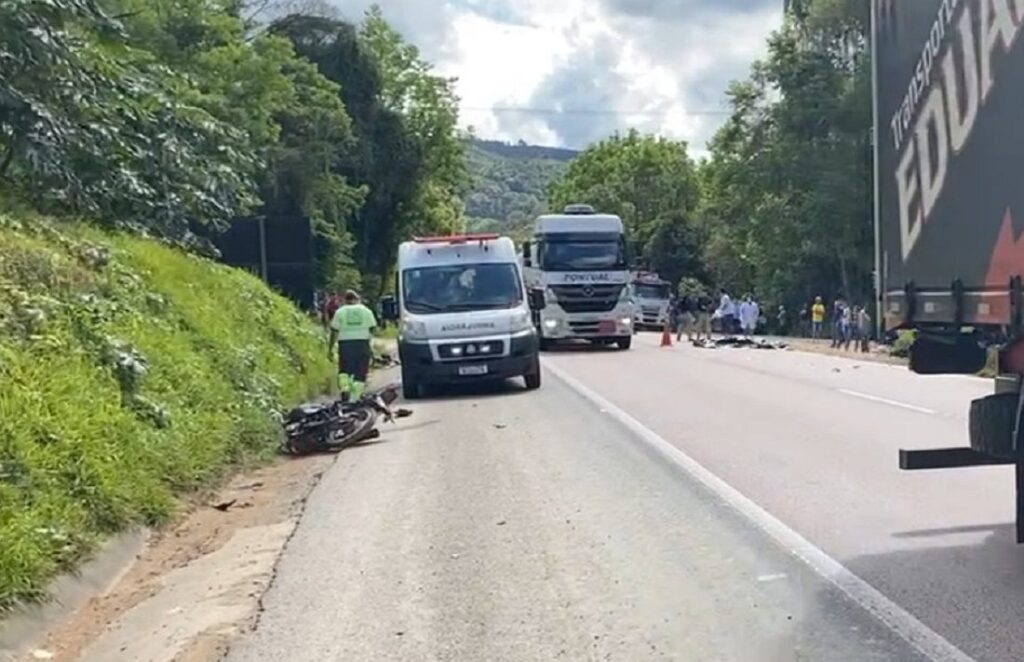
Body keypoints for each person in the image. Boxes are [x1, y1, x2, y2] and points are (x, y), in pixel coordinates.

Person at [328, 290, 377, 401]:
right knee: (361, 371)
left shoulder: (340, 312)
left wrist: (330, 348)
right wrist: (370, 347)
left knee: (344, 369)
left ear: (345, 300)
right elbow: (372, 328)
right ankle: (355, 397)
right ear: (357, 299)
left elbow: (334, 331)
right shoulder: (366, 311)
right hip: (362, 343)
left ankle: (345, 389)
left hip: (345, 344)